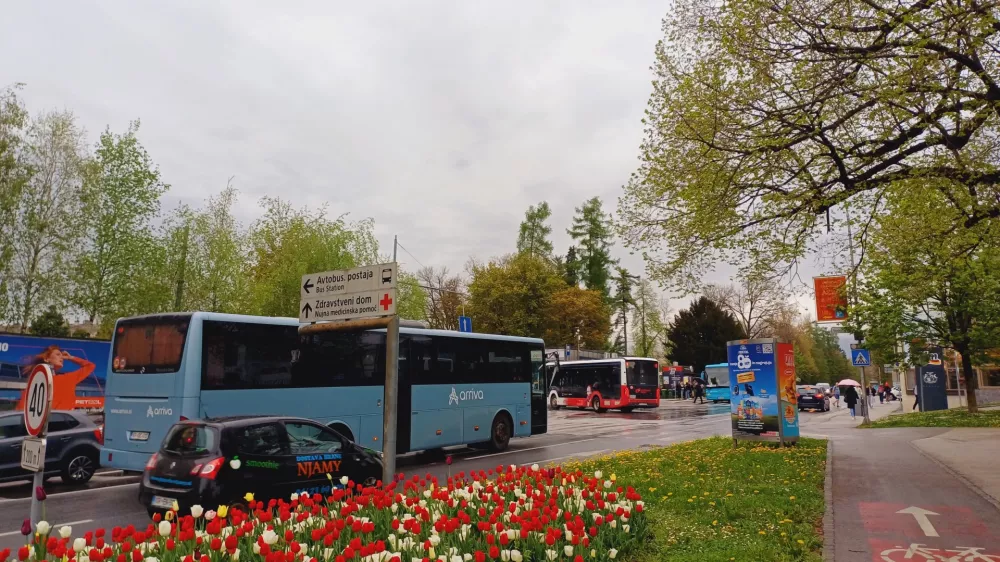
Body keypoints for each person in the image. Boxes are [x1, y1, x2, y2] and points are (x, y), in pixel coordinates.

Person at [16, 345, 96, 411]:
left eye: (62, 355)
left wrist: (70, 357)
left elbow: (90, 366)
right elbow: (23, 407)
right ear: (47, 359)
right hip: (48, 424)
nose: (61, 357)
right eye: (58, 354)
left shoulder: (68, 378)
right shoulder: (37, 382)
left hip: (64, 424)